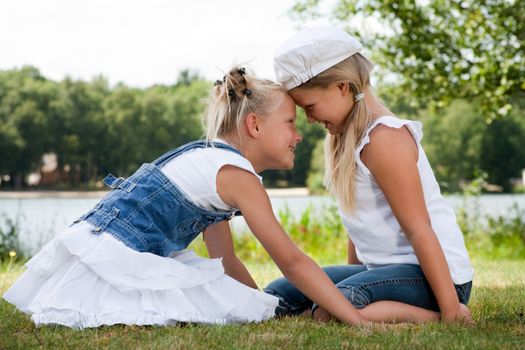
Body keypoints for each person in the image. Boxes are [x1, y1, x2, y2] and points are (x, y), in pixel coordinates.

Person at [3, 66, 369, 329]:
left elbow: (224, 260)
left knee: (210, 286)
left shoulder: (213, 160)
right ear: (254, 126)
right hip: (113, 263)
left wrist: (259, 309)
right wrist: (355, 320)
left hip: (99, 248)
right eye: (290, 122)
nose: (299, 134)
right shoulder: (237, 176)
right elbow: (292, 261)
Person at [265, 26, 474, 323]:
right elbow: (359, 222)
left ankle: (439, 317)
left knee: (335, 306)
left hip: (436, 278)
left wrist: (451, 307)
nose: (309, 120)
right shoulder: (343, 138)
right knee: (280, 294)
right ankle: (348, 304)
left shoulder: (384, 138)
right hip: (385, 273)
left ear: (342, 87)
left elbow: (420, 228)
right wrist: (355, 275)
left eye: (310, 107)